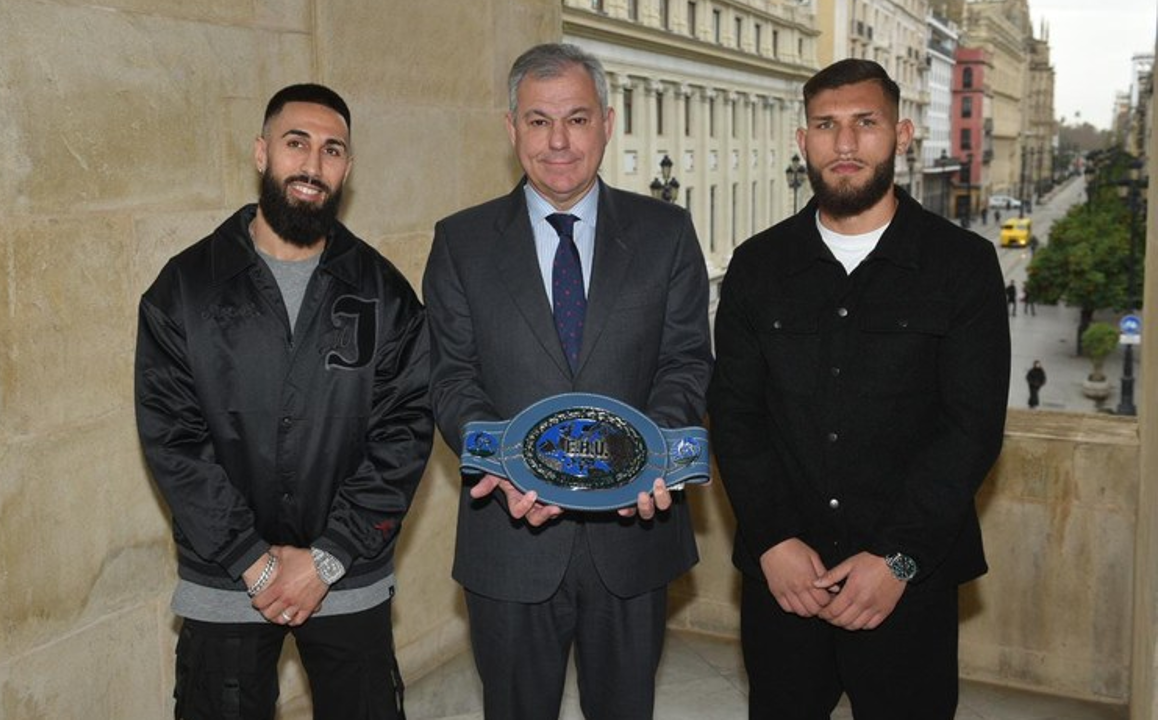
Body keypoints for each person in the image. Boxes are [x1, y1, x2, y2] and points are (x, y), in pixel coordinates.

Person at [709, 58, 1010, 719]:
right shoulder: (758, 266)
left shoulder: (961, 265)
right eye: (826, 125)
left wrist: (897, 559)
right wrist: (772, 539)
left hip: (909, 586)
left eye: (865, 123)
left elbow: (972, 428)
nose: (845, 145)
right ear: (802, 141)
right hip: (788, 581)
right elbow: (734, 415)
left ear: (902, 134)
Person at [423, 43, 712, 720]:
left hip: (634, 541)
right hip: (510, 538)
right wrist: (503, 463)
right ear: (511, 128)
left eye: (577, 119)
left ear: (608, 123)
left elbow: (687, 362)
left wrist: (653, 461)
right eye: (539, 120)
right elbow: (450, 376)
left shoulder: (666, 234)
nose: (558, 141)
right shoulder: (461, 243)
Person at [135, 83, 433, 720]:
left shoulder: (386, 293)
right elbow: (173, 437)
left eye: (332, 150)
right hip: (225, 578)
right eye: (296, 143)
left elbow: (405, 431)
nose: (312, 164)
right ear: (261, 152)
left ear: (347, 169)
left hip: (348, 575)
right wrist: (251, 558)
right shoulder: (185, 287)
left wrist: (326, 556)